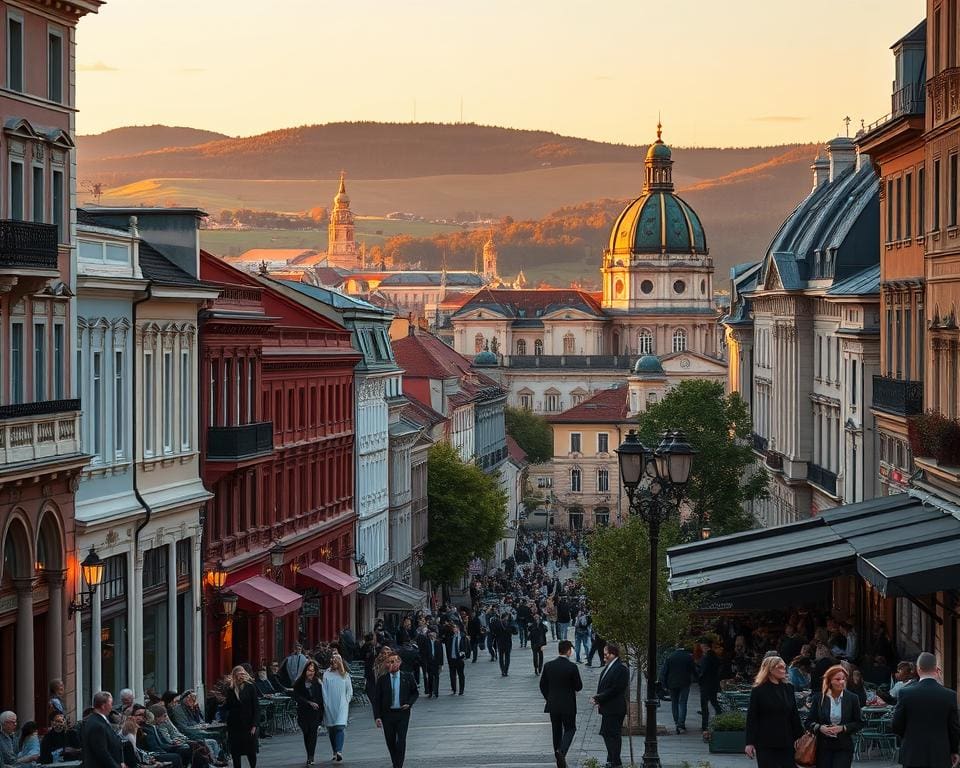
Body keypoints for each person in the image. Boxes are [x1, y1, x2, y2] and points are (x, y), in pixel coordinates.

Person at [891, 652, 960, 768]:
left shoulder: (905, 693)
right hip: (940, 754)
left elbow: (896, 725)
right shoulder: (949, 695)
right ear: (935, 669)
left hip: (912, 753)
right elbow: (954, 728)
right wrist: (954, 750)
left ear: (918, 669)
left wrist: (909, 736)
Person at [744, 656, 804, 768]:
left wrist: (800, 737)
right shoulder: (759, 690)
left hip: (787, 741)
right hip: (766, 742)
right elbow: (752, 717)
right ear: (770, 669)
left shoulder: (788, 688)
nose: (784, 670)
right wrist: (749, 743)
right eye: (780, 667)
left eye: (784, 667)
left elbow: (794, 715)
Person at [804, 664, 863, 768]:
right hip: (823, 746)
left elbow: (859, 722)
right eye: (838, 679)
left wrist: (843, 728)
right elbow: (808, 722)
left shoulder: (852, 698)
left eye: (844, 679)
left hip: (843, 745)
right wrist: (820, 728)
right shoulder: (818, 698)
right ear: (830, 680)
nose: (842, 682)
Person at [539, 640, 583, 768]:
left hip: (553, 705)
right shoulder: (572, 667)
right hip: (568, 704)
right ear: (569, 650)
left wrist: (549, 697)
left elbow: (542, 685)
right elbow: (578, 686)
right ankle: (561, 751)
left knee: (556, 731)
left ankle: (559, 760)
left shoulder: (548, 665)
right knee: (570, 728)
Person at [372, 653, 419, 768]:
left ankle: (399, 765)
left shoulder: (407, 677)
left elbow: (415, 692)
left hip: (402, 713)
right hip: (387, 714)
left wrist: (409, 703)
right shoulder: (382, 680)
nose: (392, 664)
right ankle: (395, 761)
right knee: (390, 740)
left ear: (399, 663)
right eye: (389, 662)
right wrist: (377, 717)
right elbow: (377, 699)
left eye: (394, 661)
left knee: (401, 740)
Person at [591, 643, 629, 768]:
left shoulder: (621, 669)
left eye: (606, 654)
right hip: (607, 707)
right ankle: (611, 758)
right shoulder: (609, 667)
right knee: (606, 733)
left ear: (613, 654)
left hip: (615, 708)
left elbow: (616, 689)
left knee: (612, 734)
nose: (604, 657)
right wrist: (599, 698)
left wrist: (599, 697)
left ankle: (615, 761)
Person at [223, 665, 259, 768]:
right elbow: (228, 706)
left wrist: (254, 725)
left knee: (251, 751)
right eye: (239, 674)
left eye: (243, 674)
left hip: (248, 724)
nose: (242, 676)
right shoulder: (231, 689)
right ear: (235, 675)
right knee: (235, 752)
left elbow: (256, 707)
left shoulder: (250, 687)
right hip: (234, 725)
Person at [320, 654, 353, 763]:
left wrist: (346, 700)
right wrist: (326, 703)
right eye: (332, 661)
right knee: (332, 729)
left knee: (339, 727)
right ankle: (334, 751)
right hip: (329, 704)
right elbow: (324, 690)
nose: (334, 663)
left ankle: (339, 751)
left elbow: (349, 690)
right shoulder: (326, 674)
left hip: (342, 704)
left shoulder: (345, 675)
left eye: (336, 661)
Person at [292, 659, 323, 766]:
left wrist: (321, 715)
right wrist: (308, 702)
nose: (311, 672)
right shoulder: (299, 683)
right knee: (306, 733)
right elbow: (296, 696)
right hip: (303, 712)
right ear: (305, 670)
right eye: (309, 670)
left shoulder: (317, 683)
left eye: (313, 670)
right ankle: (309, 754)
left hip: (315, 713)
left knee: (313, 734)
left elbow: (321, 699)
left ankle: (311, 757)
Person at [81, 692, 125, 768]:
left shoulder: (100, 720)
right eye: (111, 704)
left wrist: (121, 762)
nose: (112, 707)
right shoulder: (97, 725)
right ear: (103, 706)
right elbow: (102, 753)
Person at [660, 642, 696, 734]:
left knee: (674, 703)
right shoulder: (688, 657)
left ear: (676, 647)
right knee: (683, 703)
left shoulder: (670, 657)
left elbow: (664, 671)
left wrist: (664, 684)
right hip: (685, 683)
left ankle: (676, 722)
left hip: (672, 683)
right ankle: (681, 723)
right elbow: (693, 670)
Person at [697, 637, 723, 733]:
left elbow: (702, 672)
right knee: (714, 702)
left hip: (706, 684)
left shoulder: (706, 657)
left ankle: (705, 725)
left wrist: (699, 678)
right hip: (713, 683)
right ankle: (720, 719)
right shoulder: (715, 656)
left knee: (704, 705)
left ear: (704, 646)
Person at [444, 624, 469, 695]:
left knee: (461, 674)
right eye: (453, 628)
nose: (453, 629)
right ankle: (454, 689)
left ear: (458, 628)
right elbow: (448, 647)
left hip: (459, 659)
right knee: (452, 674)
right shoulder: (451, 637)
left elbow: (465, 647)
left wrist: (463, 654)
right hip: (452, 659)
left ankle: (461, 690)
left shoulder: (462, 636)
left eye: (455, 628)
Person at [493, 612, 518, 677]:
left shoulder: (498, 623)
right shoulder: (509, 624)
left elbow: (494, 632)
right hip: (506, 642)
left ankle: (503, 670)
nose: (507, 618)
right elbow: (515, 632)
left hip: (501, 642)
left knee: (502, 657)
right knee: (506, 657)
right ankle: (505, 671)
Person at [420, 631, 444, 698]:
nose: (432, 636)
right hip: (429, 662)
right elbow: (423, 653)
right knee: (430, 677)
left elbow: (441, 654)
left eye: (433, 635)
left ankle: (436, 691)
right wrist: (424, 662)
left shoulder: (438, 642)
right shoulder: (426, 642)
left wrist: (441, 664)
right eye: (431, 635)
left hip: (436, 662)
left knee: (436, 677)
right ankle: (430, 691)